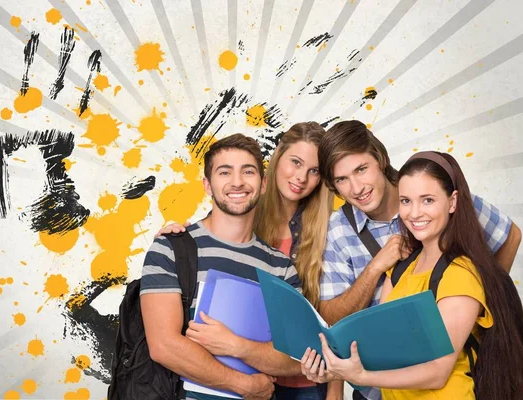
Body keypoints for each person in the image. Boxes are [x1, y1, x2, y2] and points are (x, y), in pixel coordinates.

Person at [311, 120, 521, 400]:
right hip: (381, 389)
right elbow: (374, 332)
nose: (357, 187)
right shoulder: (396, 268)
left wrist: (481, 303)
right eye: (342, 179)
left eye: (362, 169)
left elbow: (438, 371)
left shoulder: (459, 269)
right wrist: (337, 371)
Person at [157, 122, 344, 399]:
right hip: (226, 383)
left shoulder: (318, 238)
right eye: (295, 162)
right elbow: (164, 343)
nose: (301, 177)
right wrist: (176, 241)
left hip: (297, 380)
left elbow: (323, 332)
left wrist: (235, 346)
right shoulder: (206, 231)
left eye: (314, 170)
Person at [141, 133, 304, 400]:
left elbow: (296, 358)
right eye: (225, 172)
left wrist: (236, 346)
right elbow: (163, 346)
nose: (237, 182)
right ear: (207, 184)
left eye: (248, 172)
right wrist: (242, 384)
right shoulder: (171, 248)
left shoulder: (281, 267)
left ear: (263, 184)